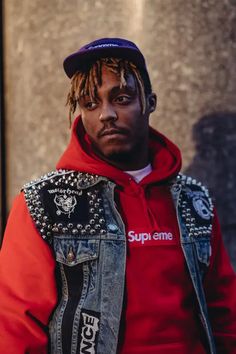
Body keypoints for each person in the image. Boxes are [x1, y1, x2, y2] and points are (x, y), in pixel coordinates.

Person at [0, 37, 236, 354]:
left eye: (121, 98)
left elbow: (226, 313)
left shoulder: (194, 201)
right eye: (90, 104)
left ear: (149, 102)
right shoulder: (44, 204)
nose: (106, 114)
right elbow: (16, 328)